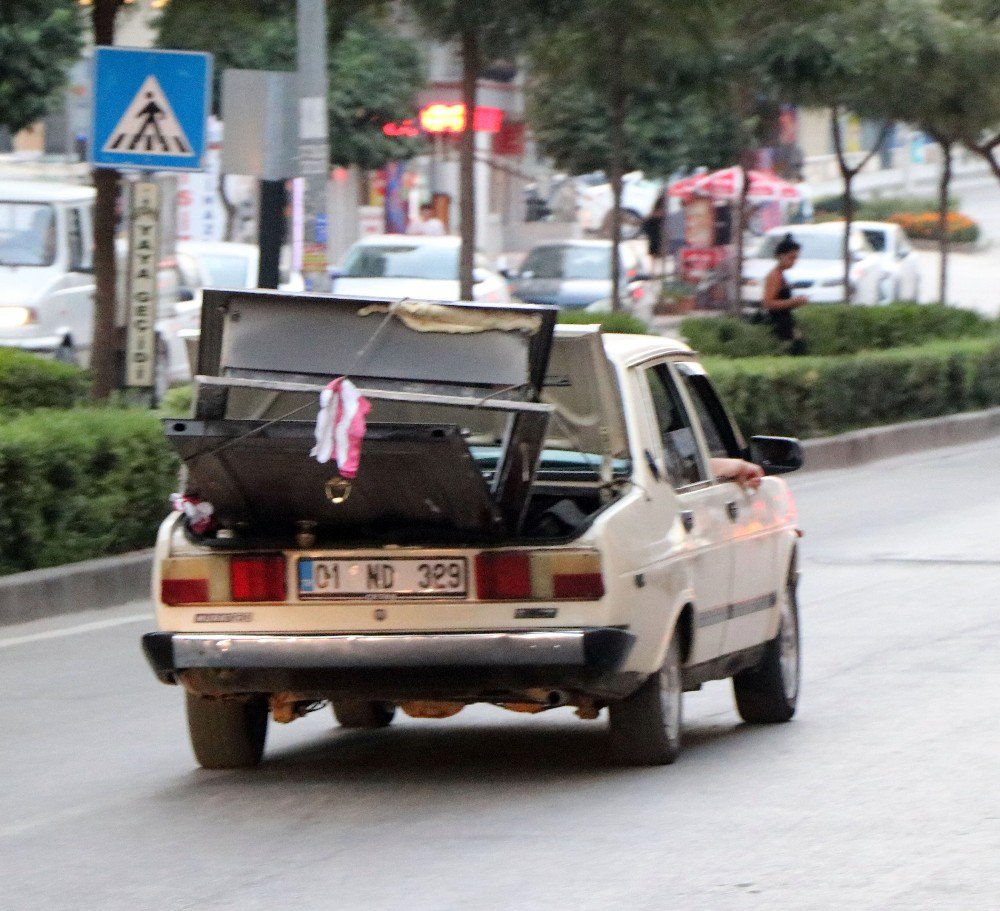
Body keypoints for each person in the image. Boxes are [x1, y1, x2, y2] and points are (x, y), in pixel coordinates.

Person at [762, 233, 808, 355]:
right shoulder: (774, 276)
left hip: (786, 320)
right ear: (781, 256)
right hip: (778, 323)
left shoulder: (782, 275)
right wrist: (793, 302)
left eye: (795, 258)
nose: (794, 261)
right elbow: (768, 303)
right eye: (791, 258)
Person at [641, 197, 666, 276]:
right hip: (656, 236)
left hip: (654, 237)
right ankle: (656, 272)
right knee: (657, 254)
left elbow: (645, 227)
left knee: (656, 255)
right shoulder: (658, 217)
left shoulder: (652, 216)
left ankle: (655, 271)